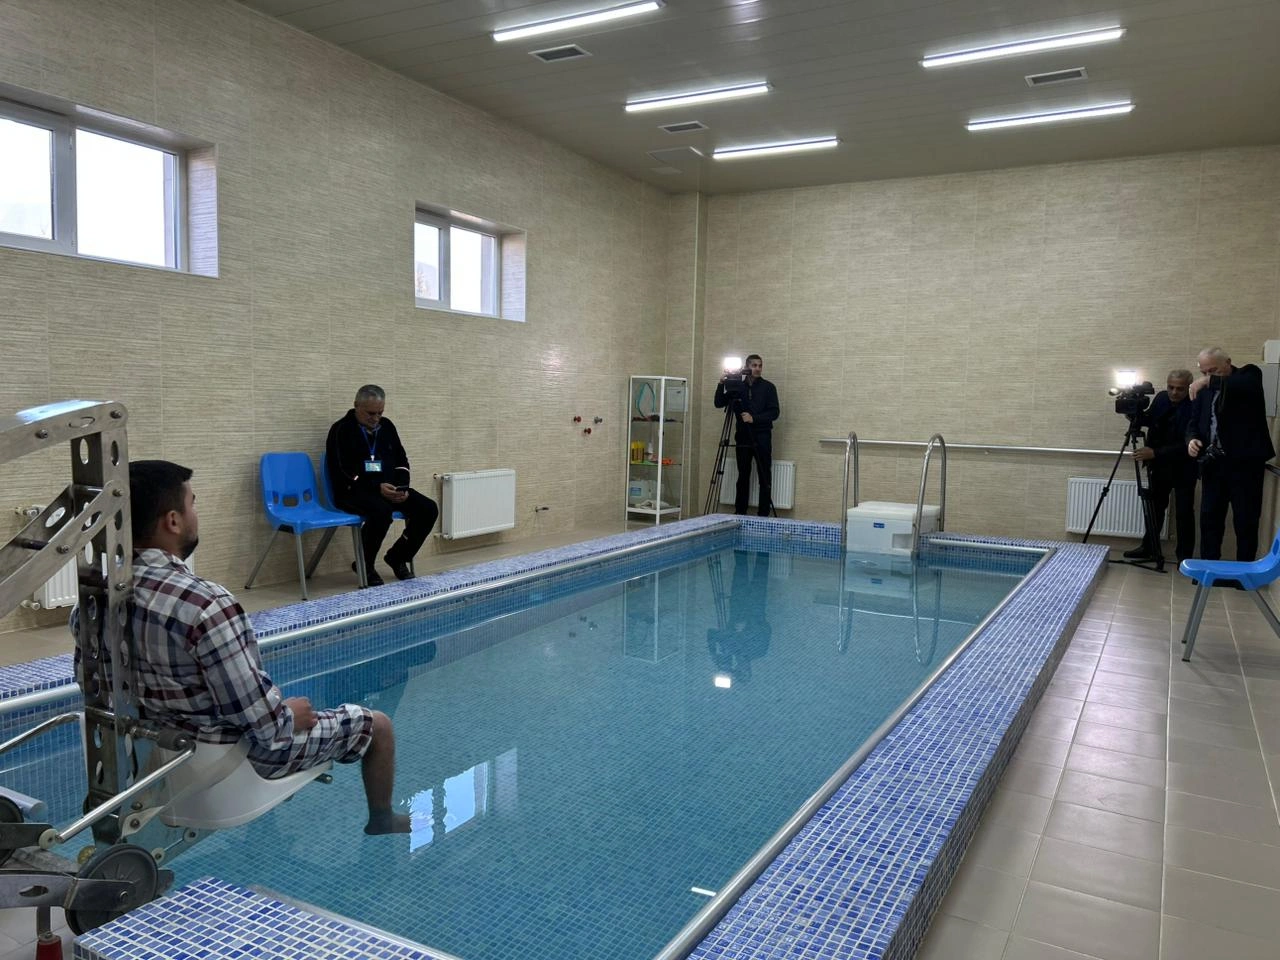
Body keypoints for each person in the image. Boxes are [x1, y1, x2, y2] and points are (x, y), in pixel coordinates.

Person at [110, 459, 409, 834]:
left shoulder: (98, 601)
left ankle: (271, 834)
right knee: (377, 725)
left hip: (148, 755)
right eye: (192, 504)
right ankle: (383, 819)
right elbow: (266, 728)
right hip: (226, 759)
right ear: (173, 521)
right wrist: (289, 715)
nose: (195, 514)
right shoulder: (205, 604)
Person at [326, 385, 438, 586]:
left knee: (428, 508)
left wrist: (402, 487)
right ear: (356, 406)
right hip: (353, 491)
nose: (376, 418)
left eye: (380, 413)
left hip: (388, 490)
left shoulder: (387, 426)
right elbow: (342, 471)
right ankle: (365, 564)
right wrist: (375, 487)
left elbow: (401, 459)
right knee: (381, 511)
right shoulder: (341, 429)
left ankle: (397, 556)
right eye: (371, 413)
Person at [1186, 347, 1275, 561]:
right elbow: (1194, 422)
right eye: (1204, 372)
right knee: (1209, 520)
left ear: (1228, 362)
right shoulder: (1204, 389)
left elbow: (1245, 386)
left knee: (1246, 521)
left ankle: (1245, 572)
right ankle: (1208, 570)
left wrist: (1208, 381)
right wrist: (1191, 439)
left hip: (1244, 465)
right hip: (1213, 463)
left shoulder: (1248, 374)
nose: (1208, 376)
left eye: (1213, 370)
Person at [1124, 369, 1198, 563]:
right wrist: (1132, 411)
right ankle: (1149, 547)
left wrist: (1155, 453)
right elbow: (1150, 419)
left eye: (1180, 389)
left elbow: (1189, 442)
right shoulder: (1162, 398)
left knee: (1184, 513)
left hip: (1184, 466)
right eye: (1171, 387)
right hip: (1159, 466)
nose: (1174, 392)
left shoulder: (1195, 403)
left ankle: (1185, 557)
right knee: (1155, 508)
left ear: (1189, 387)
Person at [713, 354, 781, 516]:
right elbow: (719, 403)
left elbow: (774, 412)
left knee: (764, 475)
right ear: (746, 367)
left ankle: (763, 514)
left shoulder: (768, 387)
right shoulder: (738, 387)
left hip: (762, 436)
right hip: (743, 436)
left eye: (760, 365)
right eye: (754, 365)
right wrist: (721, 384)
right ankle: (740, 512)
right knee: (743, 475)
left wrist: (754, 418)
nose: (757, 369)